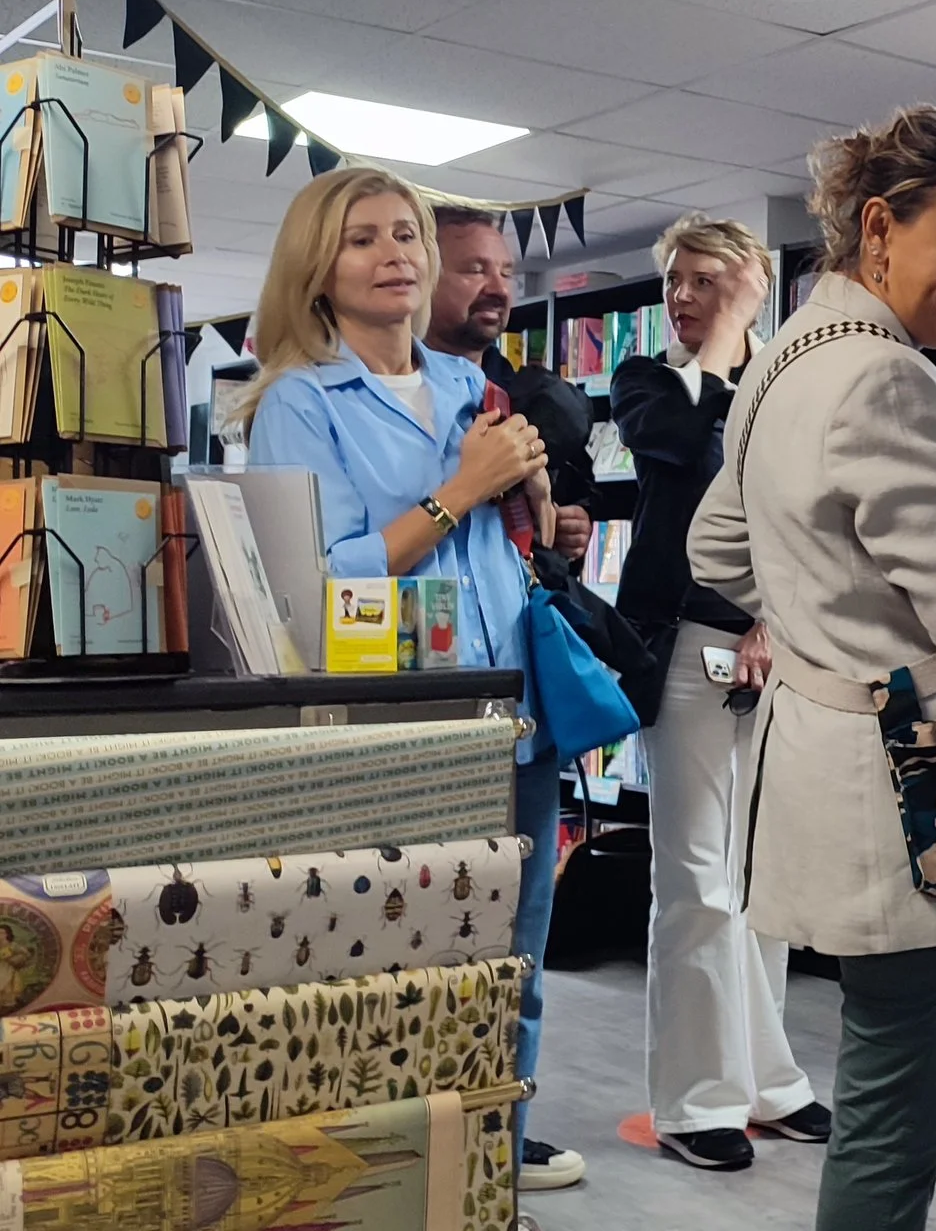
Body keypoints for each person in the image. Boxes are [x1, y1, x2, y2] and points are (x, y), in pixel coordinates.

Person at [690, 104, 936, 1231]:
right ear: (879, 229)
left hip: (833, 765)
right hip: (926, 799)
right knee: (892, 1126)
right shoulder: (889, 381)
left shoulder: (783, 365)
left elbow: (716, 549)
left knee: (878, 1091)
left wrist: (823, 613)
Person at [237, 167, 580, 1208]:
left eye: (406, 234)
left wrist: (531, 507)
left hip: (514, 719)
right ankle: (385, 1193)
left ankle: (488, 1188)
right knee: (390, 976)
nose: (395, 255)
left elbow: (498, 544)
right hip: (399, 735)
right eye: (362, 241)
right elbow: (316, 585)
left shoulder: (477, 387)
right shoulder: (298, 403)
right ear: (317, 271)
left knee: (508, 975)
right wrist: (458, 490)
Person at [612, 213, 830, 1172]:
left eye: (708, 280)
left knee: (760, 880)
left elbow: (807, 517)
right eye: (677, 281)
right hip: (681, 650)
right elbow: (690, 456)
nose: (684, 295)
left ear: (748, 281)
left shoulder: (782, 381)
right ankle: (694, 1101)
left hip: (771, 649)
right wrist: (734, 339)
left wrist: (775, 619)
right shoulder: (650, 381)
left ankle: (767, 1085)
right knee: (696, 880)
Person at [421, 204, 595, 565]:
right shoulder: (388, 397)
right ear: (421, 278)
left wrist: (570, 527)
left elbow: (570, 510)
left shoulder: (536, 402)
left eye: (506, 273)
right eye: (474, 270)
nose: (499, 290)